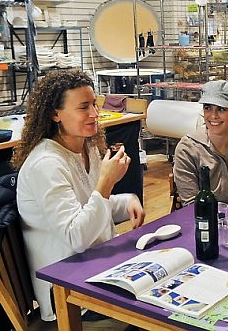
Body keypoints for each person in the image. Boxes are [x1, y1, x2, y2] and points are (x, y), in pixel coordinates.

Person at [12, 70, 145, 322]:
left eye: (94, 104)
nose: (95, 114)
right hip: (69, 293)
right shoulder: (46, 164)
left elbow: (89, 205)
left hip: (101, 269)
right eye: (84, 107)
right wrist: (107, 181)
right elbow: (77, 237)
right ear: (55, 114)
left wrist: (125, 201)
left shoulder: (87, 147)